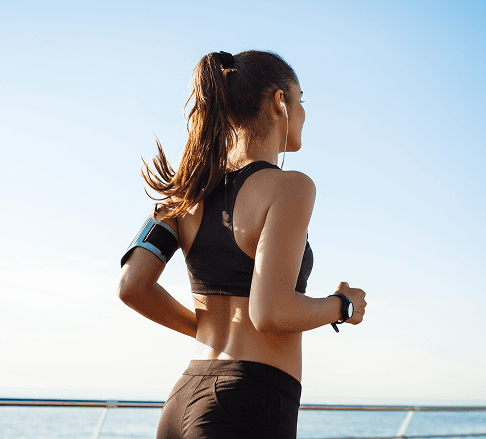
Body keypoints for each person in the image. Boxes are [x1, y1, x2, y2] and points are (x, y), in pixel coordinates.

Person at [117, 50, 367, 439]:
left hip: (183, 399)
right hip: (246, 403)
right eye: (300, 100)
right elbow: (270, 313)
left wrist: (203, 329)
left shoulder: (186, 191)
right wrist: (343, 306)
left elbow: (132, 286)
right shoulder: (291, 187)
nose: (302, 112)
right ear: (278, 103)